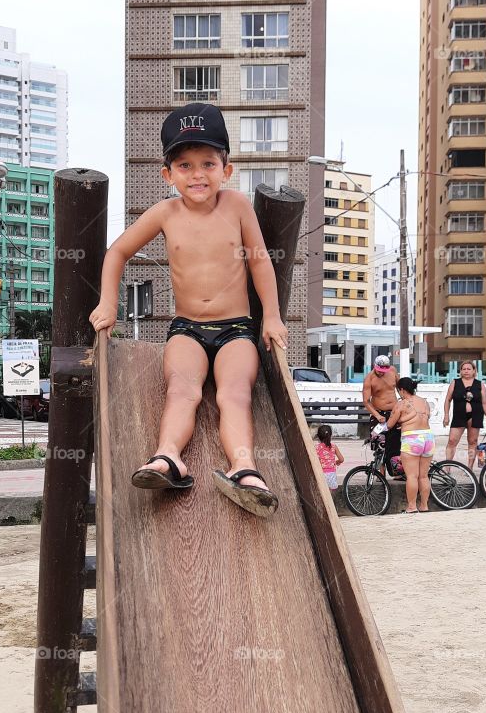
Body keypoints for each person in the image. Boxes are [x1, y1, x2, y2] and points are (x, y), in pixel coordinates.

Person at [89, 102, 288, 518]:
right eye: (185, 165)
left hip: (237, 330)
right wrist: (109, 303)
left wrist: (271, 316)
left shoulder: (237, 206)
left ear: (226, 168)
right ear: (168, 174)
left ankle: (244, 468)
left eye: (208, 163)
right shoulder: (165, 212)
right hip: (186, 330)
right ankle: (167, 457)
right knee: (181, 391)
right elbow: (118, 252)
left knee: (235, 394)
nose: (197, 174)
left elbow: (260, 261)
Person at [385, 376, 434, 513]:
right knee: (424, 476)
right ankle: (424, 506)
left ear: (401, 390)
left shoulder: (401, 404)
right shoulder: (424, 402)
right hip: (428, 438)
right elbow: (425, 417)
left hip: (412, 438)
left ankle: (412, 507)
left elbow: (389, 424)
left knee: (412, 476)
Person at [443, 359, 486, 469]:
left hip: (475, 415)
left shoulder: (480, 384)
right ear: (460, 371)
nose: (466, 371)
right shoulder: (455, 382)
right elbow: (448, 400)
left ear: (474, 371)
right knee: (452, 441)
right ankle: (447, 467)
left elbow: (485, 403)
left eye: (469, 369)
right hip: (459, 415)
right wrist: (446, 415)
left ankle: (469, 467)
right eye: (464, 369)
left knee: (472, 441)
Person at [362, 354, 401, 475]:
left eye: (384, 371)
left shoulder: (393, 371)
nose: (381, 373)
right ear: (375, 366)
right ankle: (381, 474)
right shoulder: (370, 379)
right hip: (379, 413)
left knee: (396, 443)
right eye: (379, 371)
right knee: (380, 445)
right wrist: (377, 415)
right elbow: (366, 401)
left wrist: (405, 402)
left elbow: (400, 388)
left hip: (394, 412)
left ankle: (397, 472)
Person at [314, 423, 344, 490]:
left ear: (318, 436)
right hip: (331, 474)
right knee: (331, 493)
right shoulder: (334, 446)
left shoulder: (316, 448)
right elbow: (341, 459)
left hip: (321, 474)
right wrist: (335, 462)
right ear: (330, 435)